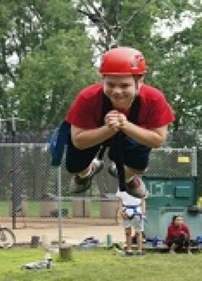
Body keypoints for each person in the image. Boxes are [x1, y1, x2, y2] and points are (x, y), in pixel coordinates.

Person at [65, 46, 175, 198]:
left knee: (139, 167)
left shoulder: (154, 99)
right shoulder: (87, 98)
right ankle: (86, 173)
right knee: (74, 166)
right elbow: (78, 141)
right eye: (110, 84)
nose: (117, 91)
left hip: (132, 135)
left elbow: (158, 140)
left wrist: (125, 125)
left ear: (140, 82)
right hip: (93, 133)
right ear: (103, 80)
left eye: (125, 86)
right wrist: (109, 129)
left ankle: (126, 175)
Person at [117, 188, 146, 256]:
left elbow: (143, 200)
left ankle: (140, 251)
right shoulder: (121, 186)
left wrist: (143, 212)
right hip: (126, 210)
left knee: (138, 232)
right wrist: (121, 211)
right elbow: (120, 200)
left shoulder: (139, 184)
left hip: (137, 210)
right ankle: (129, 250)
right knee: (127, 232)